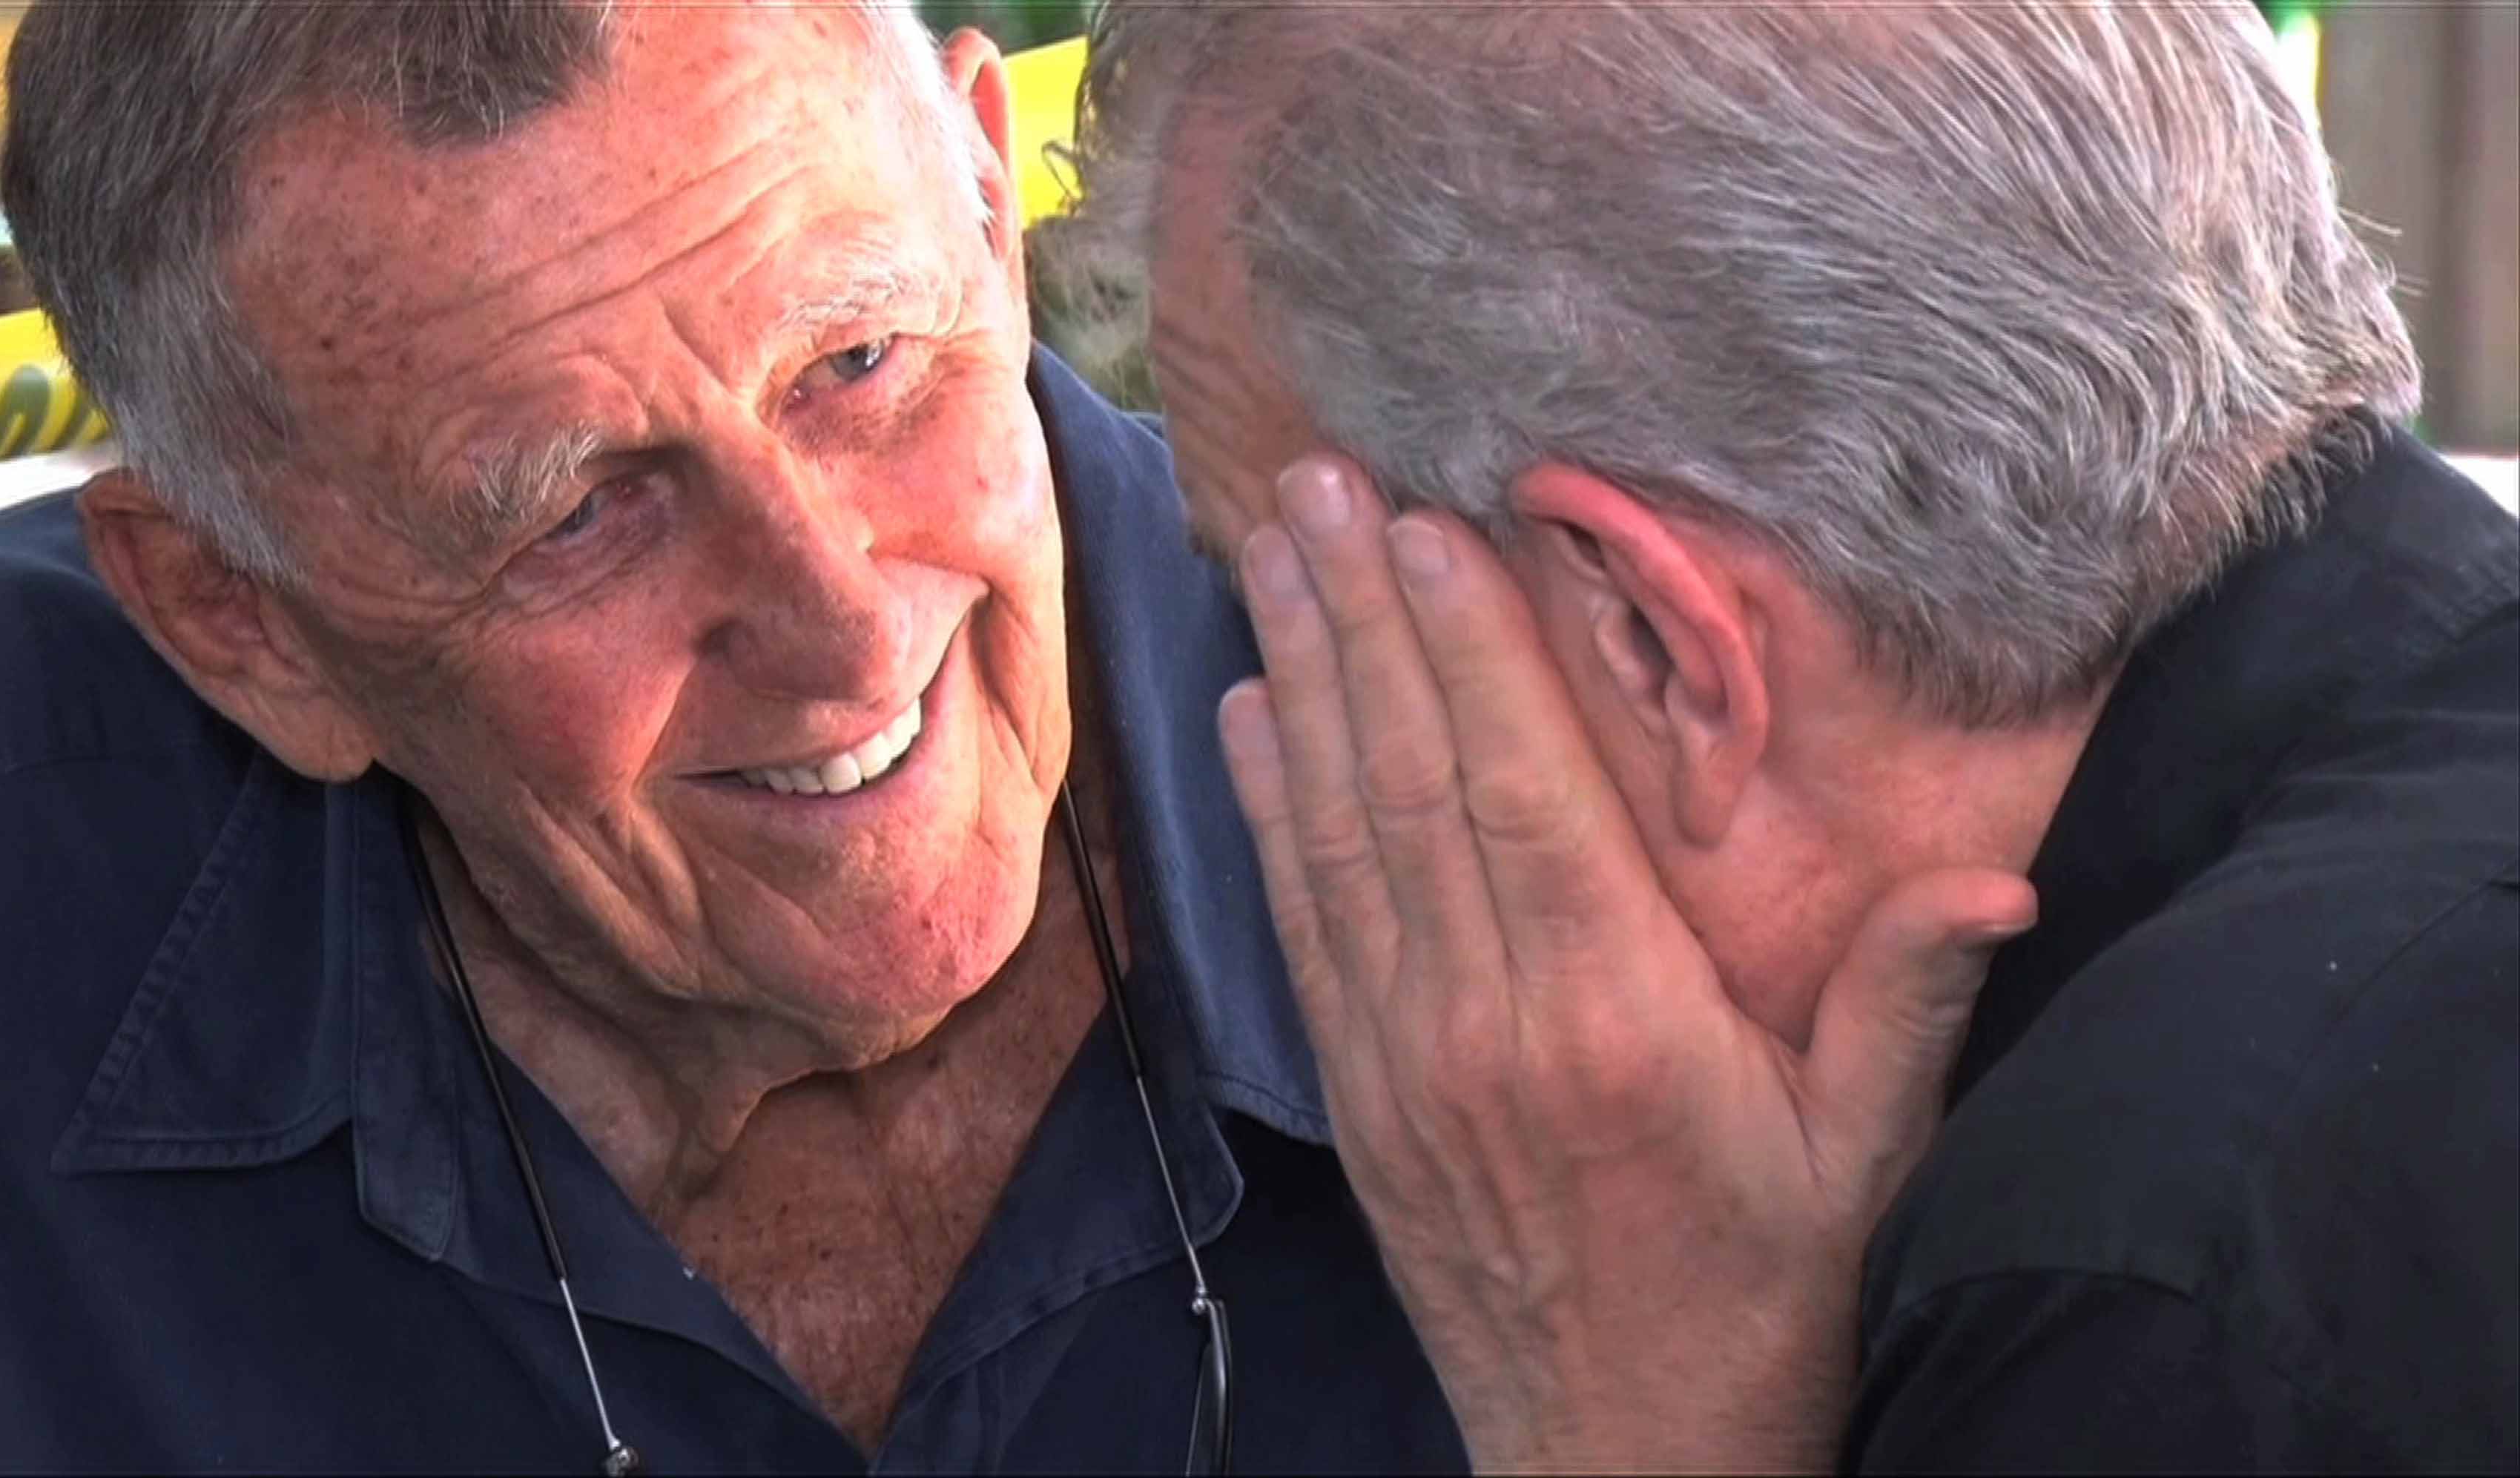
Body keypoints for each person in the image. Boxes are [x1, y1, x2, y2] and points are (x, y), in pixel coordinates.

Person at [0, 3, 1480, 1470]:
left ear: (992, 218)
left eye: (858, 361)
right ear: (241, 623)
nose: (845, 630)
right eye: (582, 513)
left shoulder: (1543, 697)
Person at [1051, 1, 2520, 1469]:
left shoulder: (2150, 1320)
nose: (1275, 755)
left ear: (1653, 646)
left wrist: (1625, 1417)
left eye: (1286, 619)